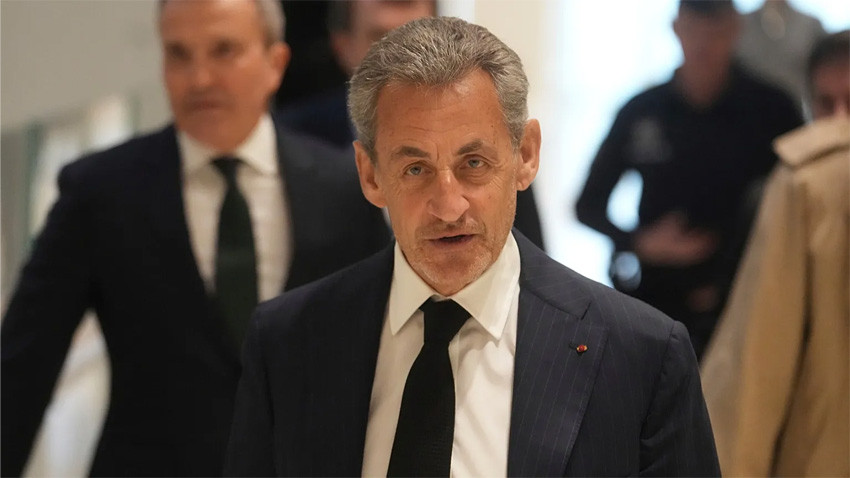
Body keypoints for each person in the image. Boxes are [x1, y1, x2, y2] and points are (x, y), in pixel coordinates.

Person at [225, 16, 720, 477]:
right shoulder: (287, 341)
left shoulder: (644, 355)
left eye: (474, 164)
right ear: (370, 175)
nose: (448, 206)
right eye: (415, 168)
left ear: (526, 155)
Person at [0, 0, 389, 476]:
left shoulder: (345, 191)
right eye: (179, 55)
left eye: (224, 51)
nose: (200, 79)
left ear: (275, 63)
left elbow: (383, 361)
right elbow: (20, 372)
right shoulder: (99, 193)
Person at [575, 0, 802, 359]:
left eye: (715, 33)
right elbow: (587, 205)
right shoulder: (642, 110)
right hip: (654, 301)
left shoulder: (772, 110)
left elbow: (798, 205)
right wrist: (640, 242)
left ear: (735, 30)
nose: (703, 45)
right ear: (677, 28)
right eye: (694, 31)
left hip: (747, 301)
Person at [279, 0, 547, 250]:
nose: (404, 60)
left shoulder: (494, 146)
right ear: (342, 45)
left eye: (418, 41)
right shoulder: (294, 143)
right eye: (381, 40)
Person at [701, 30, 850, 477]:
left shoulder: (810, 179)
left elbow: (754, 367)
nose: (839, 120)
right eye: (826, 103)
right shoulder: (802, 181)